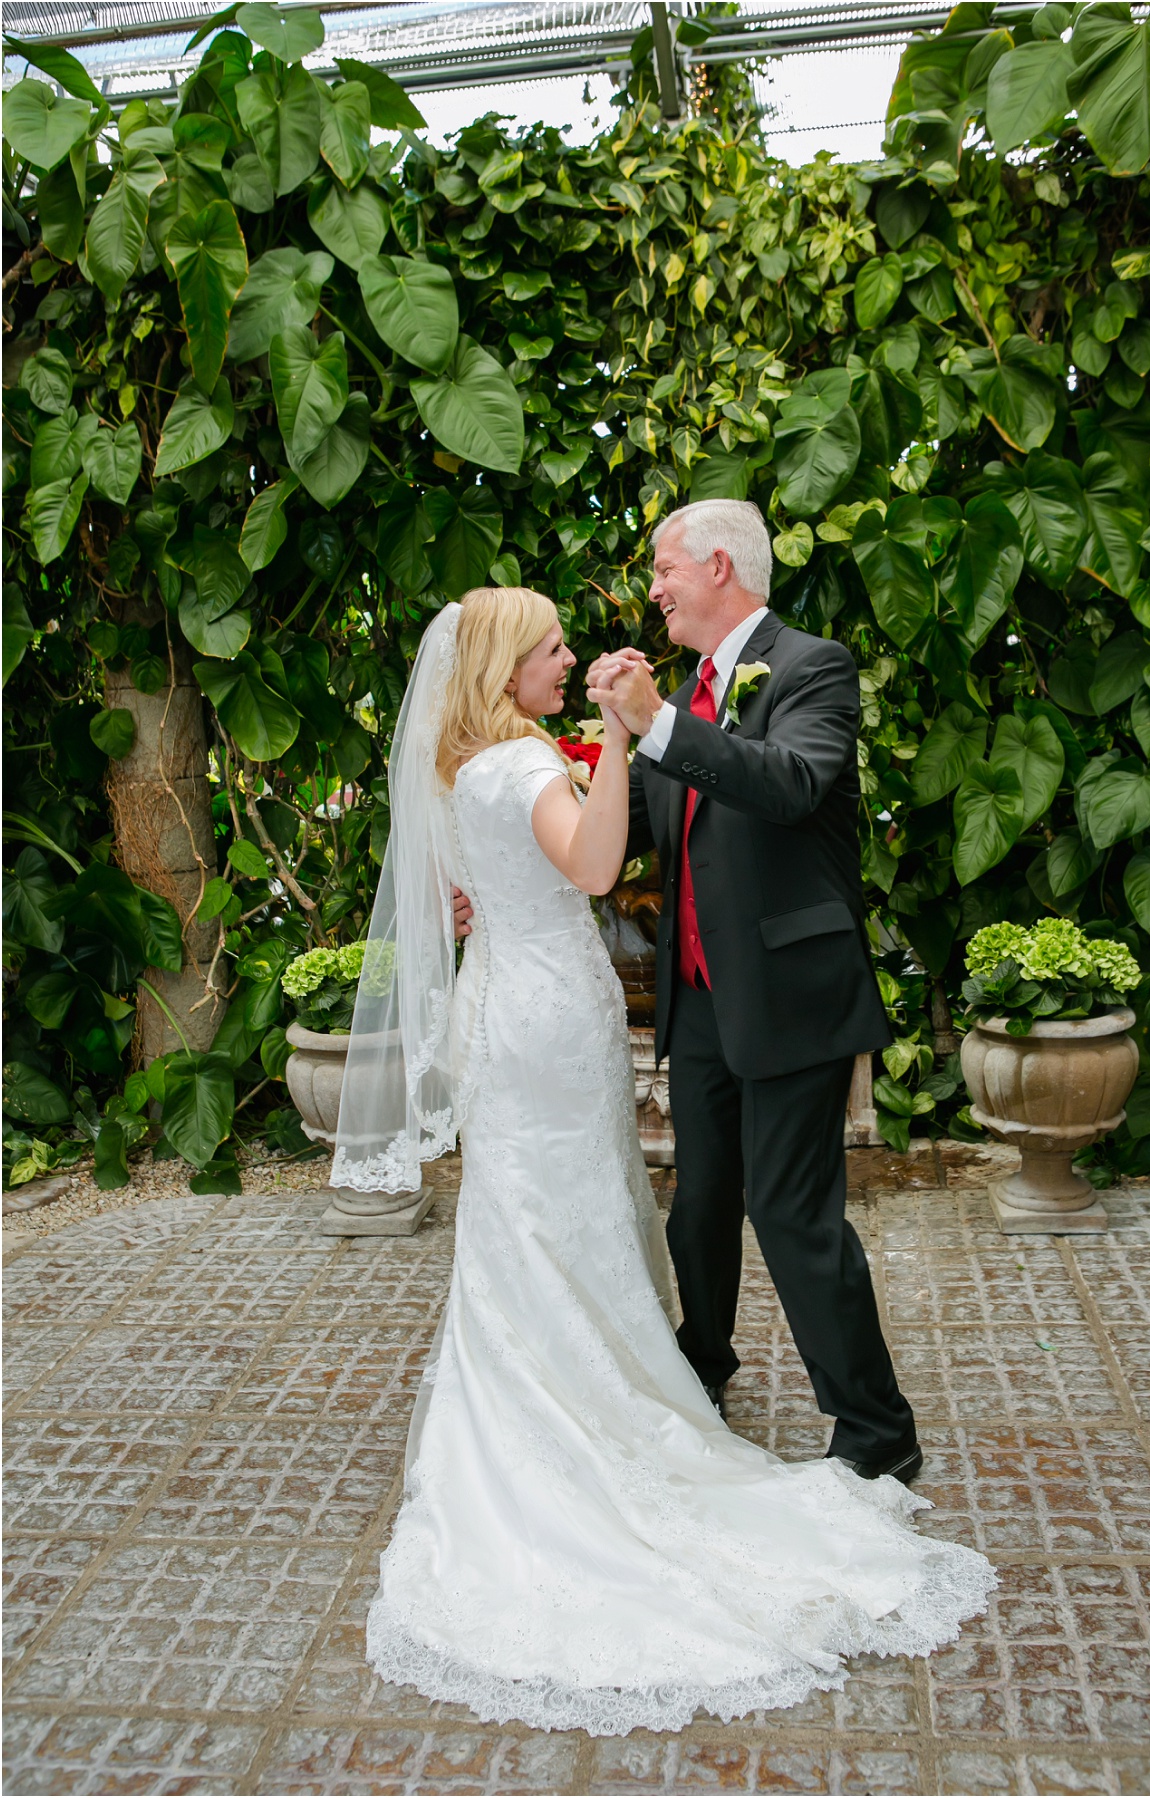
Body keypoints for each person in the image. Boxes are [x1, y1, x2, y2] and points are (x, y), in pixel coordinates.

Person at [337, 583, 994, 1737]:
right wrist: (624, 743)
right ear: (504, 668)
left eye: (661, 573)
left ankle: (687, 1386)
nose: (572, 652)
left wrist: (619, 748)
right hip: (549, 1017)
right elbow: (598, 864)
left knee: (560, 1217)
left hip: (534, 1007)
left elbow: (753, 793)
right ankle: (619, 1393)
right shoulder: (523, 761)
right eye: (548, 647)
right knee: (592, 1207)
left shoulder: (476, 761)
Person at [583, 497, 918, 1481]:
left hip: (791, 993)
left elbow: (789, 782)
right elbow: (638, 834)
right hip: (699, 1003)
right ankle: (702, 1374)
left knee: (789, 1212)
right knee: (699, 1205)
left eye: (664, 569)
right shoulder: (682, 696)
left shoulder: (813, 668)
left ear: (719, 567)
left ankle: (877, 1433)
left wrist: (659, 725)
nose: (653, 588)